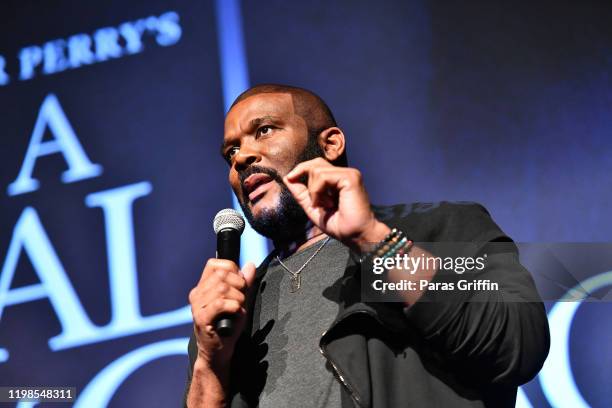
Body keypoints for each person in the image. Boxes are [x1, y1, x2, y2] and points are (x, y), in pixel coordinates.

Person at [183, 84, 550, 407]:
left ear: (330, 144)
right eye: (231, 153)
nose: (242, 159)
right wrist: (210, 363)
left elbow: (517, 345)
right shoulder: (236, 305)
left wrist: (372, 239)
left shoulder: (441, 230)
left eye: (263, 130)